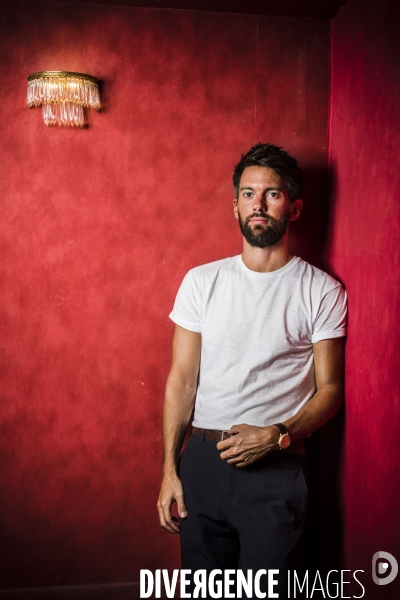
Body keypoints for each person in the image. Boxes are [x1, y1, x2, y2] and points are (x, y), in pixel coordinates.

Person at [157, 143, 347, 598]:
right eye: (247, 194)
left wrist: (278, 433)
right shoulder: (202, 282)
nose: (257, 204)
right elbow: (181, 382)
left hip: (275, 469)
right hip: (201, 461)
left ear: (294, 207)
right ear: (235, 205)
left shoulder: (321, 290)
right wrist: (169, 469)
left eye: (272, 194)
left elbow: (331, 390)